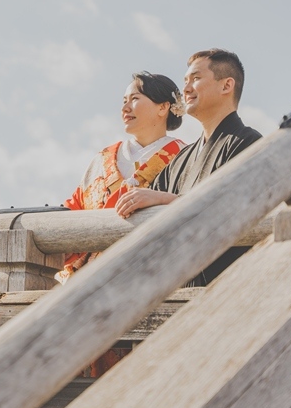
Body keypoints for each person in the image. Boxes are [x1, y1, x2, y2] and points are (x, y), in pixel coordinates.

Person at [58, 72, 187, 377]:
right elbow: (74, 207)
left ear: (162, 107)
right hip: (91, 283)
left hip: (151, 282)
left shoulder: (183, 155)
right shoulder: (102, 158)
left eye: (135, 99)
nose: (125, 107)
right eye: (124, 101)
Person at [115, 49, 262, 284]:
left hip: (227, 287)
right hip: (176, 289)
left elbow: (231, 212)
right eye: (185, 81)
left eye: (195, 79)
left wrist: (165, 200)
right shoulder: (181, 159)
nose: (186, 89)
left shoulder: (248, 143)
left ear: (226, 86)